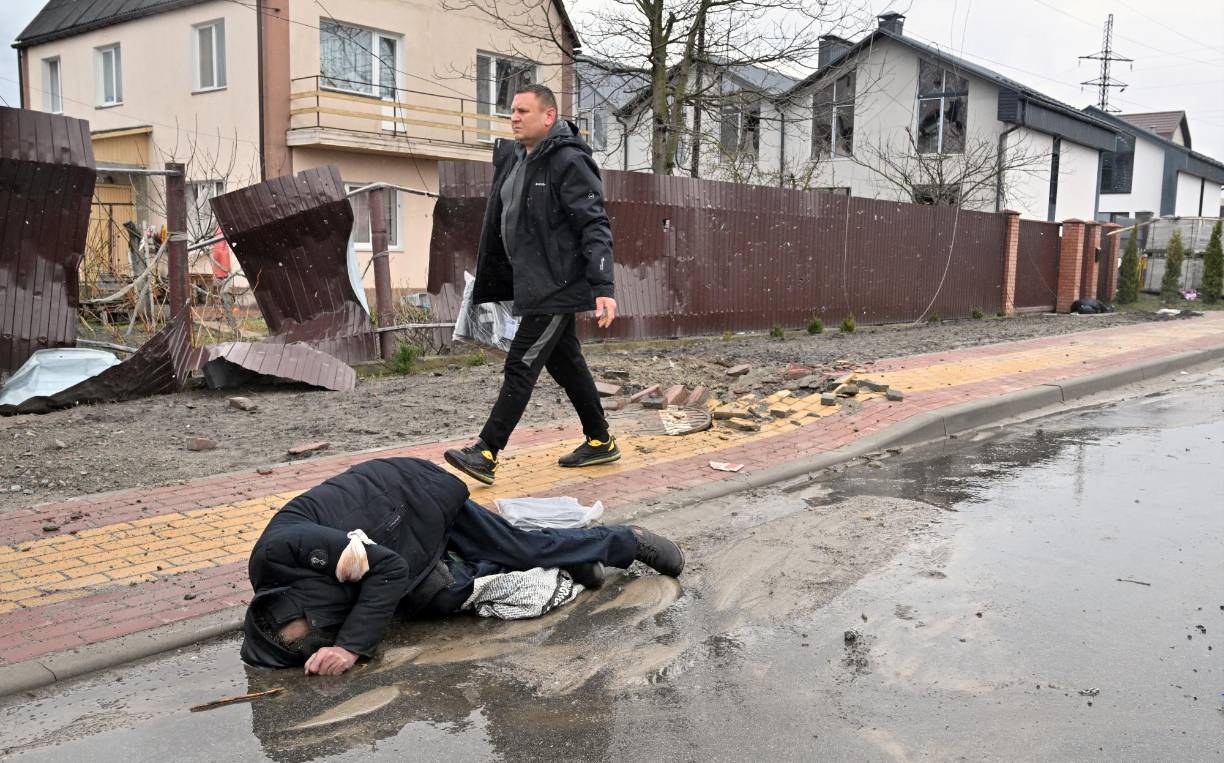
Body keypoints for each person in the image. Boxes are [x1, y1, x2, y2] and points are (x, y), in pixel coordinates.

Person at [240, 457, 684, 675]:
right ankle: (578, 558)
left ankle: (626, 541)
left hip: (411, 495)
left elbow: (388, 570)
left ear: (288, 603)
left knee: (522, 549)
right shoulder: (287, 593)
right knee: (442, 594)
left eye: (308, 625)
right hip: (396, 531)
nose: (318, 631)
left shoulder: (284, 550)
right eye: (312, 638)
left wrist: (351, 649)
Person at [444, 83, 619, 486]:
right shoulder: (515, 159)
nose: (515, 118)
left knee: (520, 363)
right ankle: (601, 440)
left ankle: (486, 451)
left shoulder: (568, 161)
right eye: (513, 112)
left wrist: (603, 285)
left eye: (524, 111)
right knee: (567, 364)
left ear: (549, 116)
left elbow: (594, 224)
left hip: (556, 286)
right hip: (530, 282)